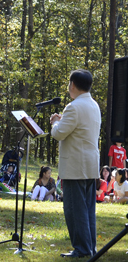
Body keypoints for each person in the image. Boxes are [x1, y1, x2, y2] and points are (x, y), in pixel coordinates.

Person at [50, 69, 101, 258]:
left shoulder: (73, 106)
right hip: (89, 165)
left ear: (72, 84)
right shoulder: (94, 105)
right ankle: (89, 246)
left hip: (74, 166)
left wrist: (55, 121)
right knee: (87, 210)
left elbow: (58, 133)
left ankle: (81, 248)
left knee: (74, 209)